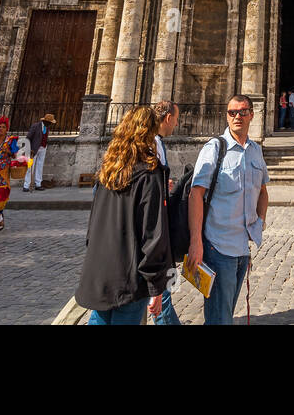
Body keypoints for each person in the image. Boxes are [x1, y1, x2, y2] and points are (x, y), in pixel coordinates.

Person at [75, 106, 171, 325]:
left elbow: (92, 227)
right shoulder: (149, 174)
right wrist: (156, 284)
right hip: (129, 278)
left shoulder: (108, 171)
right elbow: (152, 233)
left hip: (101, 270)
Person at [186, 95, 269, 325]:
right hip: (217, 247)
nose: (237, 117)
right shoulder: (214, 149)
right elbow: (196, 194)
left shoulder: (255, 151)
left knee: (224, 313)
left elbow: (263, 191)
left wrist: (259, 223)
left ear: (252, 114)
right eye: (232, 112)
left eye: (243, 112)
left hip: (242, 249)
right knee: (220, 318)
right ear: (226, 115)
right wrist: (196, 242)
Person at [151, 100, 183, 326]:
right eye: (177, 118)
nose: (177, 124)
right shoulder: (151, 144)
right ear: (168, 118)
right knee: (161, 282)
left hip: (155, 219)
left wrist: (162, 184)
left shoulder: (157, 143)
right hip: (153, 223)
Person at [24, 113, 55, 191]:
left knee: (40, 166)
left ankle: (38, 184)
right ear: (45, 121)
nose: (50, 124)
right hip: (33, 149)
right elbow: (28, 138)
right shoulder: (35, 126)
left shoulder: (47, 128)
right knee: (30, 167)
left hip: (43, 148)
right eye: (50, 123)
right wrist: (29, 148)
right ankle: (26, 185)